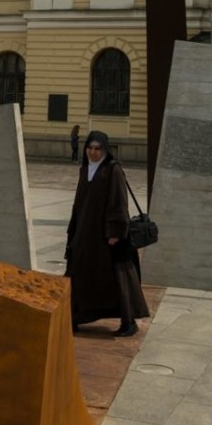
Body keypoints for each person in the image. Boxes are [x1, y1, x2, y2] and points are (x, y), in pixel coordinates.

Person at [65, 129, 149, 337]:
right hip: (85, 235)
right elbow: (78, 204)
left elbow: (119, 202)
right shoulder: (85, 170)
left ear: (105, 150)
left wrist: (115, 232)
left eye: (97, 149)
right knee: (81, 274)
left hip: (106, 237)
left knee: (116, 278)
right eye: (90, 148)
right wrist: (73, 232)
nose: (93, 153)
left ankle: (128, 321)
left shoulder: (113, 170)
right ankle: (75, 316)